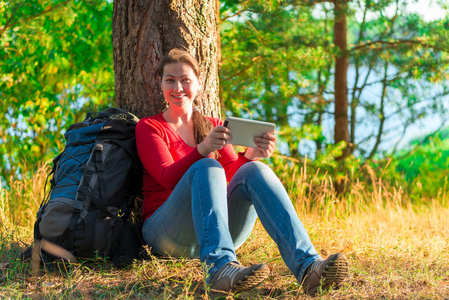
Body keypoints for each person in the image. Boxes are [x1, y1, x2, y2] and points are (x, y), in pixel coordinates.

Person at [135, 48, 349, 298]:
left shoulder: (213, 126)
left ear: (199, 83)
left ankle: (308, 266)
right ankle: (220, 270)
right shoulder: (149, 127)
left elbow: (232, 177)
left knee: (254, 170)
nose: (178, 87)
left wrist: (251, 156)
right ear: (160, 83)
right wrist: (203, 150)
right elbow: (166, 177)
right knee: (207, 166)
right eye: (170, 80)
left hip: (214, 230)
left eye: (185, 80)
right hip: (166, 233)